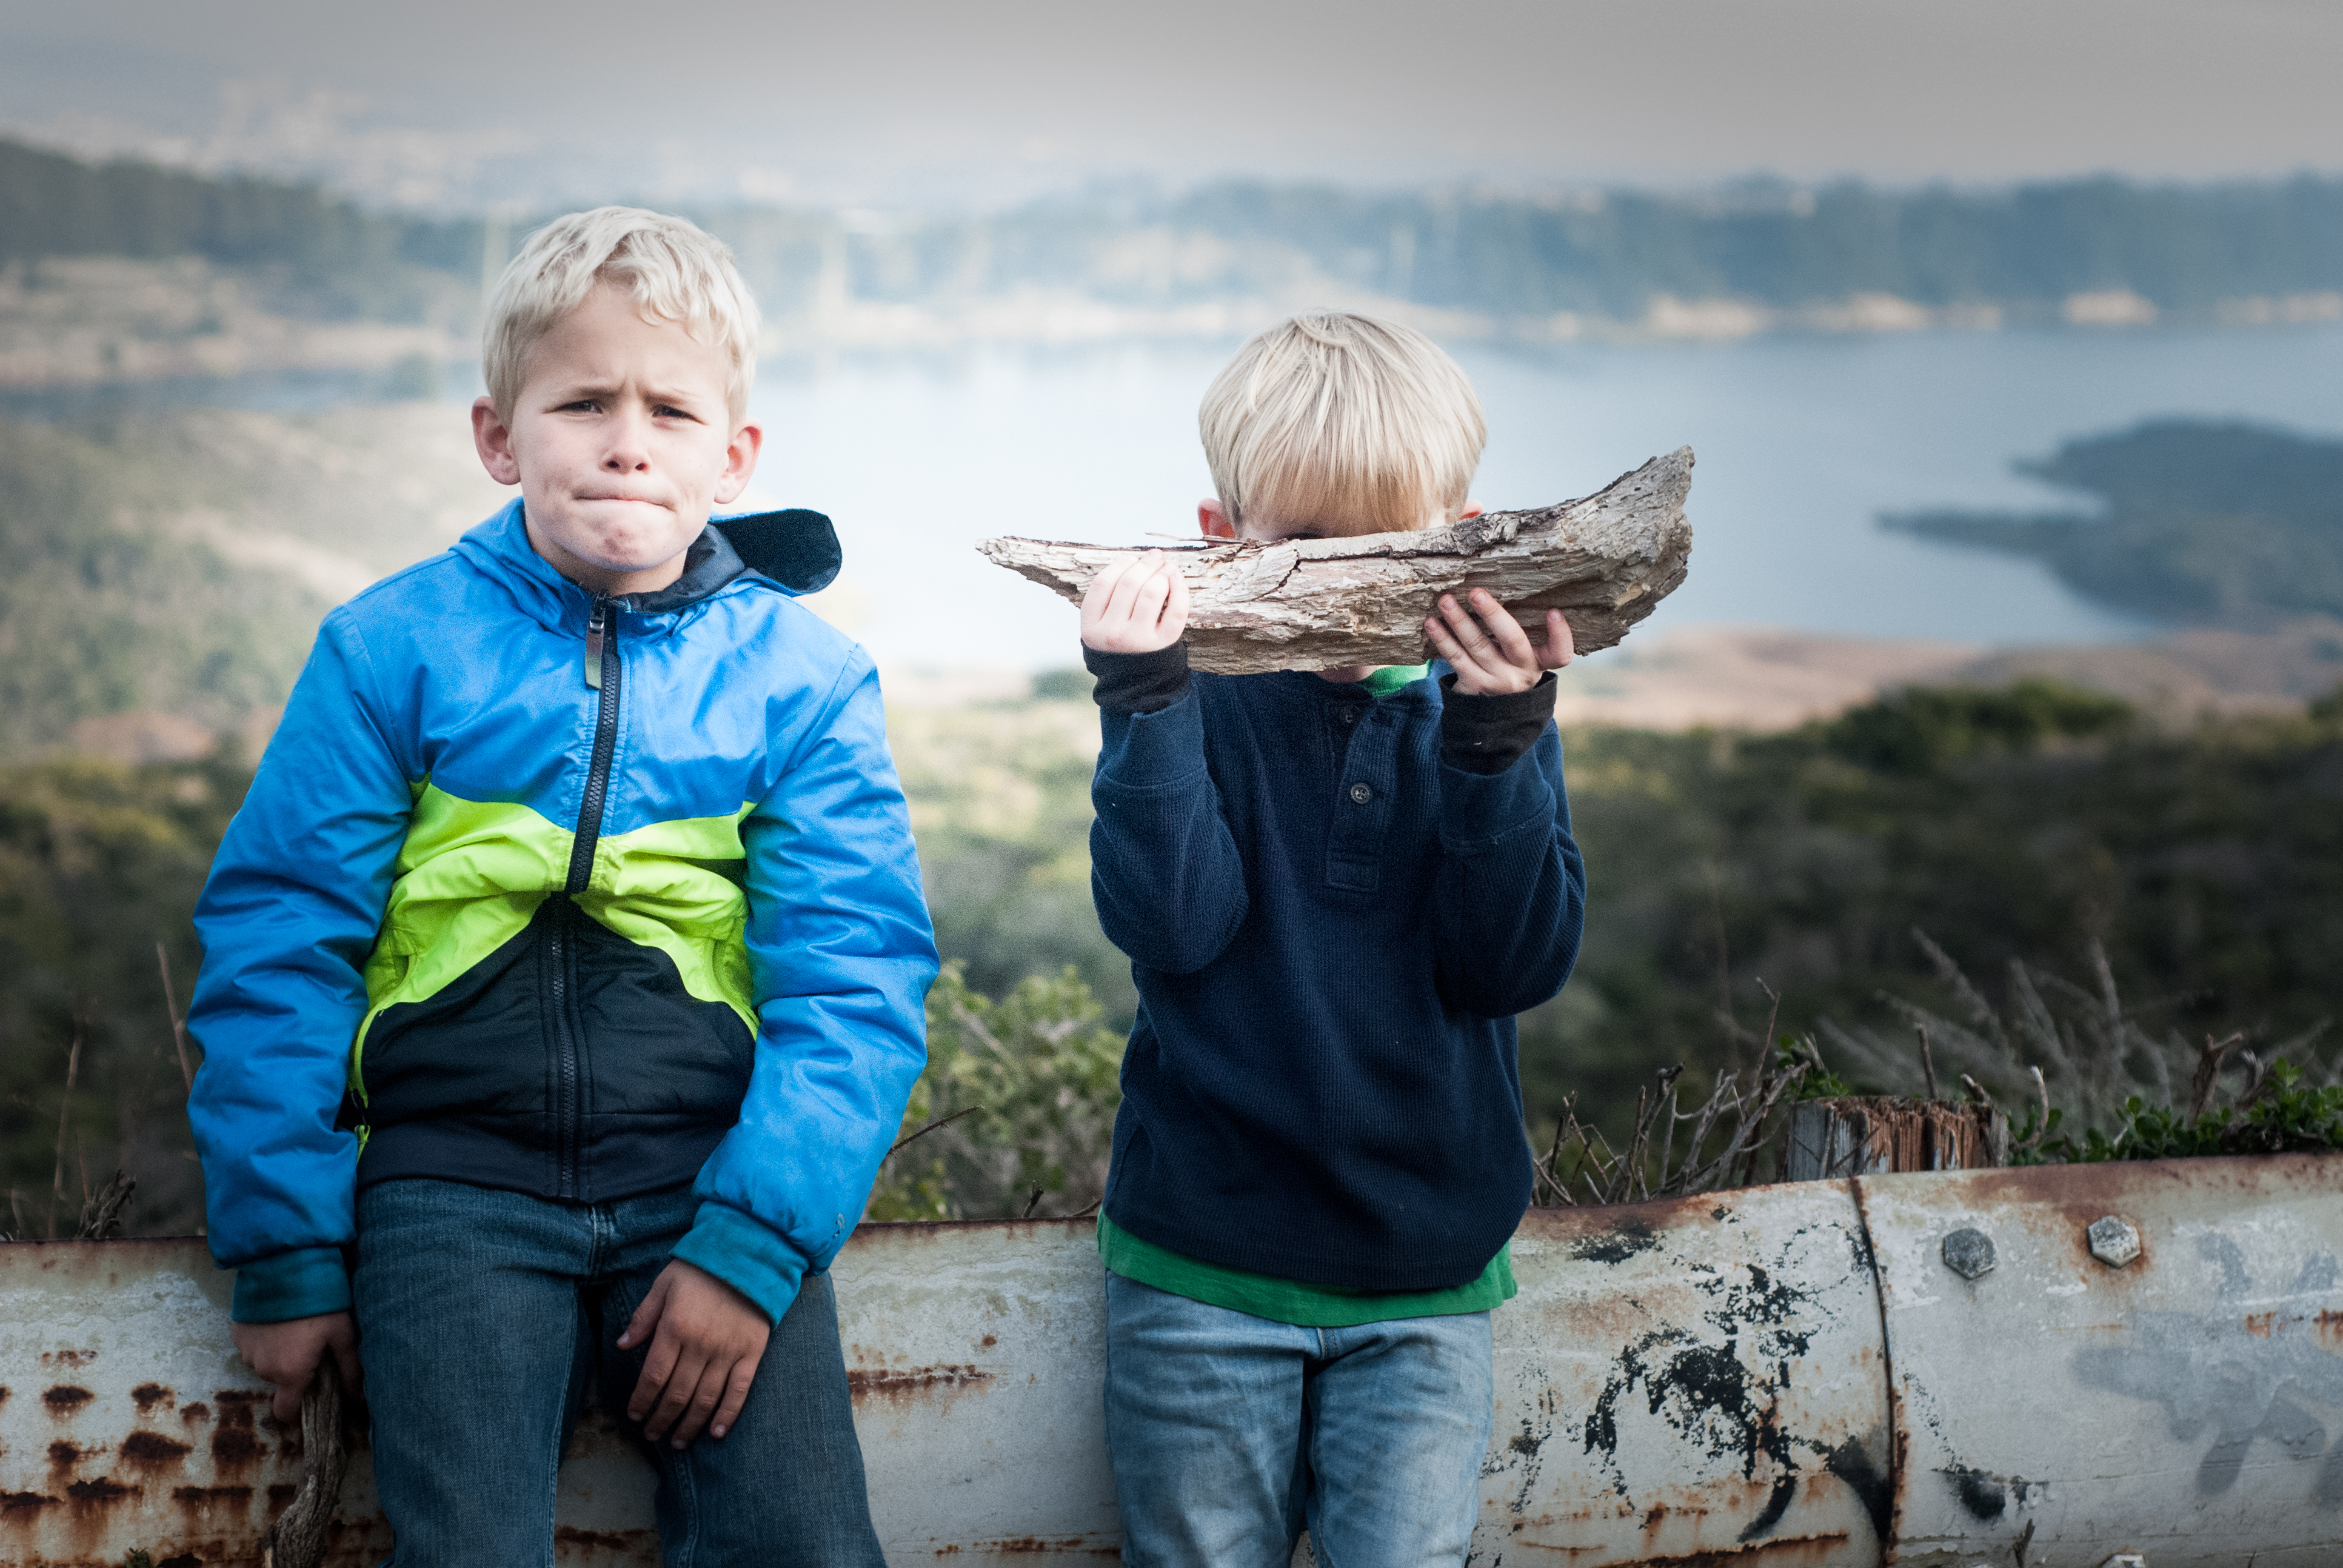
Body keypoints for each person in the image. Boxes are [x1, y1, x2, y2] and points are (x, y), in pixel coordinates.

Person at [185, 206, 937, 1565]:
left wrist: (754, 1245)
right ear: (497, 435)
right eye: (583, 399)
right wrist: (288, 1240)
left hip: (706, 1178)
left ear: (735, 454)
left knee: (804, 1543)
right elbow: (279, 938)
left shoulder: (805, 680)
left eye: (671, 409)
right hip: (448, 1190)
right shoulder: (390, 648)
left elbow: (858, 978)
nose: (628, 437)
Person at [1078, 310, 1586, 1567]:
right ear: (1224, 543)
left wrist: (1495, 748)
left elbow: (1510, 965)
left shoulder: (1495, 714)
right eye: (1310, 547)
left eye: (1390, 546)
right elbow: (1169, 929)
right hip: (1199, 1260)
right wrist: (1144, 704)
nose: (1354, 577)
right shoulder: (1194, 696)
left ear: (1462, 538)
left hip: (1426, 1277)